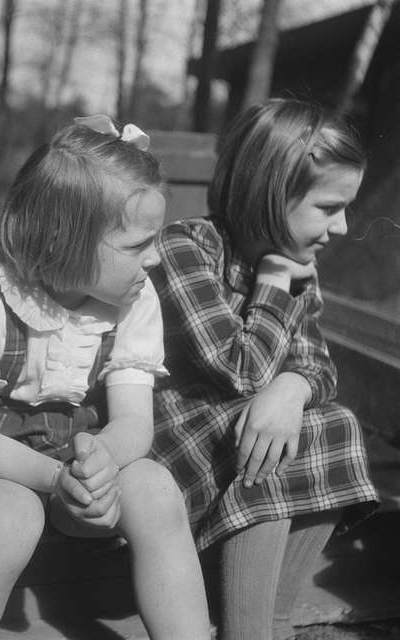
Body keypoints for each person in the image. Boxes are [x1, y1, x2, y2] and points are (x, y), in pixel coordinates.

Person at [0, 115, 211, 640]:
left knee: (157, 488)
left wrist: (97, 466)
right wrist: (55, 480)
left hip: (81, 463)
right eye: (138, 244)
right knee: (13, 516)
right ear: (62, 240)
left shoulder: (135, 302)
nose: (156, 258)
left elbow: (134, 425)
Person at [150, 97, 379, 640]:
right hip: (172, 447)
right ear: (270, 194)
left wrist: (293, 389)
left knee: (334, 422)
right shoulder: (186, 247)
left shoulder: (299, 262)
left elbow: (318, 365)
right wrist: (273, 282)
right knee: (269, 433)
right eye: (328, 207)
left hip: (241, 438)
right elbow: (241, 370)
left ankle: (267, 625)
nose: (343, 226)